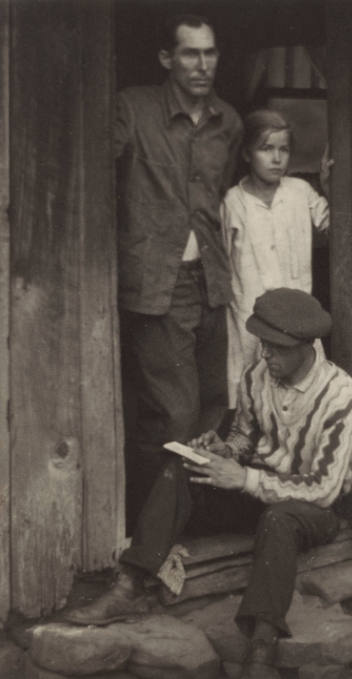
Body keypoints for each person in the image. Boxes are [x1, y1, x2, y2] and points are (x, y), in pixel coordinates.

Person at [65, 288, 352, 679]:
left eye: (275, 348)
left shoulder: (340, 394)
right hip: (258, 489)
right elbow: (245, 438)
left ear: (305, 347)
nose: (265, 355)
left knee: (279, 520)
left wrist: (245, 477)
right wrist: (223, 450)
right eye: (262, 345)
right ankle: (131, 585)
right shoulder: (259, 375)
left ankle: (262, 642)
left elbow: (325, 488)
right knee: (183, 465)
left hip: (310, 511)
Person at [116, 14, 243, 520]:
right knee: (172, 414)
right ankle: (155, 535)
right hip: (156, 287)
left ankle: (190, 523)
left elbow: (216, 197)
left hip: (211, 283)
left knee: (213, 406)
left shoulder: (228, 122)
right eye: (191, 53)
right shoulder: (133, 108)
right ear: (167, 59)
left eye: (210, 53)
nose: (202, 64)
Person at [221, 108, 332, 407]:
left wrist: (330, 186)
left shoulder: (300, 192)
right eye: (266, 149)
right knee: (255, 395)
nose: (276, 158)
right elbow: (221, 259)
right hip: (249, 317)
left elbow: (334, 228)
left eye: (284, 150)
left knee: (303, 395)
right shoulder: (234, 202)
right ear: (247, 154)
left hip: (297, 318)